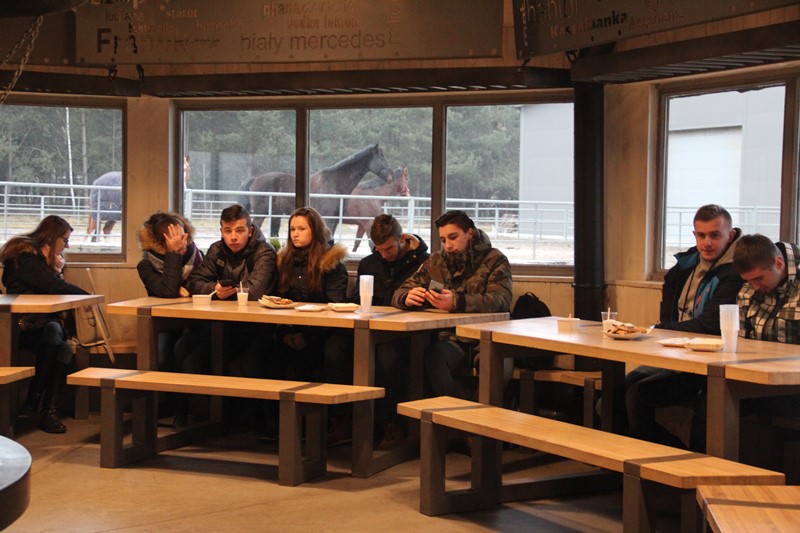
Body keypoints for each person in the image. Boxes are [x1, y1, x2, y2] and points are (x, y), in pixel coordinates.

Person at [625, 204, 743, 451]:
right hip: (675, 354)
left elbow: (710, 324)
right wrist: (663, 330)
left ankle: (671, 459)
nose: (707, 243)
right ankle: (642, 458)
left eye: (715, 235)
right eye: (701, 235)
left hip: (709, 363)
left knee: (636, 395)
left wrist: (660, 329)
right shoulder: (683, 267)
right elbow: (668, 310)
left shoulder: (737, 271)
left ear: (730, 235)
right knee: (614, 393)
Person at [392, 210, 512, 401]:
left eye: (453, 237)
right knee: (433, 358)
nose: (448, 245)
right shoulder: (436, 262)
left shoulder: (494, 259)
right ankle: (460, 411)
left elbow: (500, 300)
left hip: (489, 336)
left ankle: (481, 413)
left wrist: (456, 301)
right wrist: (407, 297)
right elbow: (400, 291)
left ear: (470, 233)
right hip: (453, 338)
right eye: (443, 240)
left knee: (497, 366)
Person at [1, 215, 88, 433]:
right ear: (51, 237)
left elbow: (52, 287)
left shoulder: (41, 260)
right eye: (65, 240)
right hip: (18, 327)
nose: (67, 246)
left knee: (59, 341)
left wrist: (56, 271)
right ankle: (44, 408)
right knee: (55, 335)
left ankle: (40, 405)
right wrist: (87, 296)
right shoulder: (25, 257)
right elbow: (54, 287)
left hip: (41, 324)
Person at [350, 214, 429, 449]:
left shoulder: (423, 263)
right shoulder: (369, 264)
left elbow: (427, 300)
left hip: (407, 334)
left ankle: (392, 424)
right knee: (336, 348)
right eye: (379, 249)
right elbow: (355, 301)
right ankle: (346, 421)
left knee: (387, 356)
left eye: (388, 248)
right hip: (370, 331)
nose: (384, 254)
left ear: (402, 239)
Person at [137, 211, 205, 428]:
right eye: (173, 238)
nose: (181, 242)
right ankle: (167, 407)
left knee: (183, 352)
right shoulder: (147, 265)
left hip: (197, 323)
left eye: (182, 236)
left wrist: (190, 289)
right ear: (160, 243)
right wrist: (173, 255)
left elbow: (204, 285)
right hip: (164, 324)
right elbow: (167, 291)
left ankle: (181, 411)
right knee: (162, 356)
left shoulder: (198, 257)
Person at [734, 234, 800, 343]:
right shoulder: (746, 292)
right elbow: (741, 342)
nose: (754, 287)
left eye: (758, 278)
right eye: (749, 281)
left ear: (778, 263)